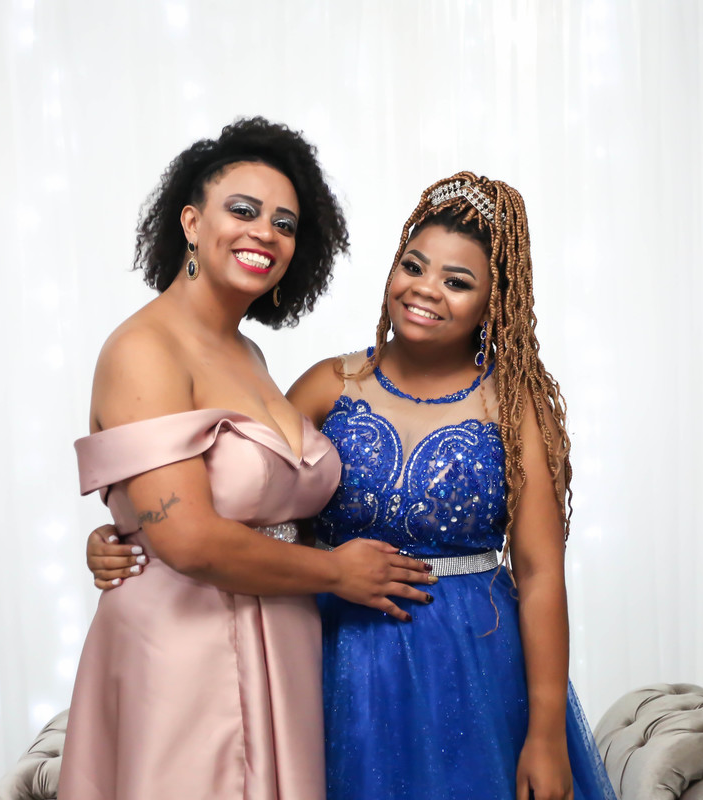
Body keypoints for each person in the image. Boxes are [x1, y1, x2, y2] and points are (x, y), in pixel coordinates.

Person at [88, 171, 617, 800]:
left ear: (493, 301)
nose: (426, 289)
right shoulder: (328, 385)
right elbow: (246, 493)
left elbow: (539, 572)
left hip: (470, 669)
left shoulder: (517, 407)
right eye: (413, 266)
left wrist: (547, 733)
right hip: (334, 659)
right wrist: (132, 532)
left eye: (457, 282)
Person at [60, 118, 434, 800]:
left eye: (284, 224)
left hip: (282, 638)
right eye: (243, 210)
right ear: (191, 222)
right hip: (187, 652)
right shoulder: (144, 349)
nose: (265, 232)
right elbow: (189, 540)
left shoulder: (248, 354)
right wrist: (337, 573)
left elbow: (257, 502)